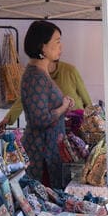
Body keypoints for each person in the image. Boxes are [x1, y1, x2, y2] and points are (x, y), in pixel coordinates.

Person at [19, 20, 75, 189]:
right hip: (41, 154)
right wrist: (63, 107)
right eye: (57, 42)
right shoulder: (36, 76)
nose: (61, 47)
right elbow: (40, 119)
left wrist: (64, 105)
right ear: (43, 47)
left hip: (49, 150)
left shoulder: (41, 73)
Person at [0, 58, 92, 127]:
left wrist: (92, 118)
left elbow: (85, 96)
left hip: (75, 121)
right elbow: (24, 98)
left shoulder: (70, 70)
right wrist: (8, 118)